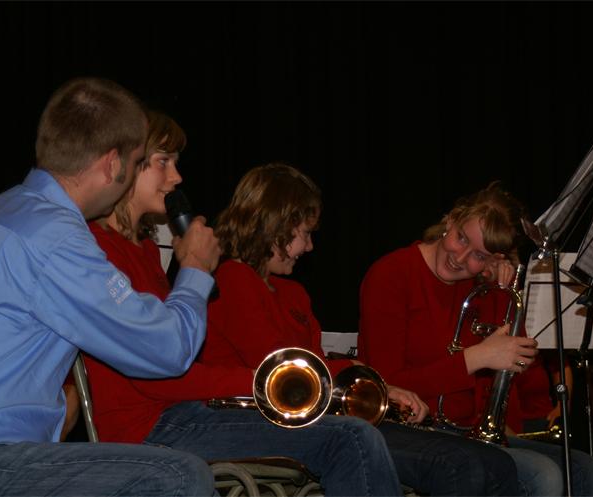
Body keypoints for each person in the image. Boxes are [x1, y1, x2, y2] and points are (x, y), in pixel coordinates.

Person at [0, 77, 221, 497]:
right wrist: (195, 269)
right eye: (136, 164)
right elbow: (167, 348)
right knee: (180, 477)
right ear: (111, 164)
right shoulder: (52, 236)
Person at [84, 112, 403, 497]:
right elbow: (155, 372)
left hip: (181, 412)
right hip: (149, 426)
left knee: (358, 435)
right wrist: (262, 382)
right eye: (163, 161)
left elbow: (178, 360)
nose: (176, 177)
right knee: (350, 439)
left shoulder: (146, 251)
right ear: (127, 165)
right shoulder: (99, 249)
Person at [203, 163, 522, 496]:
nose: (309, 247)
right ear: (275, 227)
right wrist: (360, 373)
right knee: (459, 464)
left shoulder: (293, 293)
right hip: (260, 422)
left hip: (309, 419)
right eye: (305, 234)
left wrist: (380, 387)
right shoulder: (233, 279)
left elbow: (314, 368)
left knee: (496, 463)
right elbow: (286, 372)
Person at [358, 181, 593, 496]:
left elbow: (517, 361)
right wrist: (475, 358)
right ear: (451, 220)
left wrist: (503, 293)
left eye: (478, 255)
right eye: (461, 237)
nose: (460, 257)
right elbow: (385, 383)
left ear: (494, 258)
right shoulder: (392, 274)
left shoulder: (485, 288)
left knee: (588, 472)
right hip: (410, 429)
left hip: (466, 432)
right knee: (541, 476)